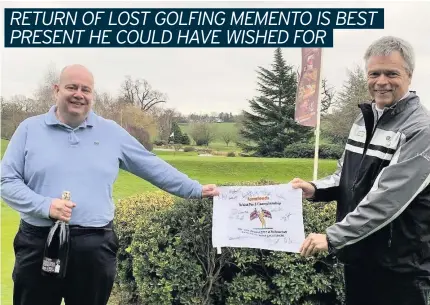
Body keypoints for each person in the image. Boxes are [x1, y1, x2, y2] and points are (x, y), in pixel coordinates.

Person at [1, 64, 219, 305]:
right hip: (39, 242)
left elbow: (151, 166)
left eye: (86, 89)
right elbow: (6, 181)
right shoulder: (29, 129)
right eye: (71, 87)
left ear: (92, 95)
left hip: (94, 246)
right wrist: (44, 206)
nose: (79, 94)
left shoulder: (111, 133)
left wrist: (195, 189)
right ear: (56, 90)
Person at [291, 36, 430, 305]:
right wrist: (315, 188)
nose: (381, 82)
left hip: (401, 268)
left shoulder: (421, 130)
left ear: (409, 76)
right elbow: (346, 174)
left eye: (392, 73)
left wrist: (332, 237)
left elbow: (388, 199)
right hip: (359, 256)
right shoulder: (364, 118)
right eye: (374, 73)